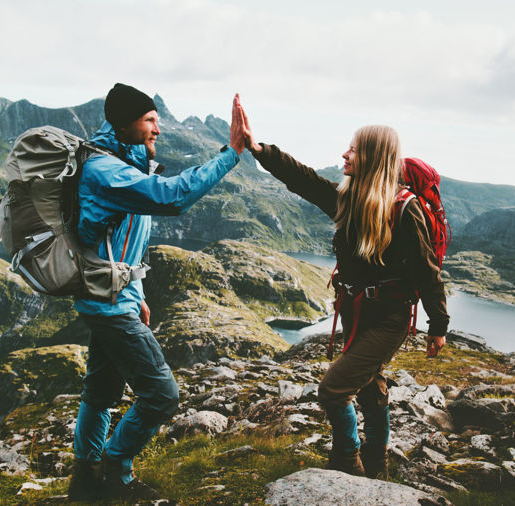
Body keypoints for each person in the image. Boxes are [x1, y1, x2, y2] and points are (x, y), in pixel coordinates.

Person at [235, 96, 448, 479]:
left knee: (333, 390)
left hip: (388, 318)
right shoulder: (349, 201)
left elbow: (426, 271)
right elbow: (303, 179)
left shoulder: (406, 209)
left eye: (353, 149)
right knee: (368, 387)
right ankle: (378, 463)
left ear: (373, 157)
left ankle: (347, 460)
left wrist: (438, 327)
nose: (345, 154)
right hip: (354, 310)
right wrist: (257, 149)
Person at [68, 83, 245, 501]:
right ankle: (115, 471)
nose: (157, 130)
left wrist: (140, 291)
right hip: (109, 306)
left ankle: (84, 478)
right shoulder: (105, 170)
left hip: (112, 298)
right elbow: (172, 197)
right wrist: (231, 154)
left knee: (100, 393)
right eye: (149, 120)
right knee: (162, 396)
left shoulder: (125, 166)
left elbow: (126, 241)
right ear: (124, 123)